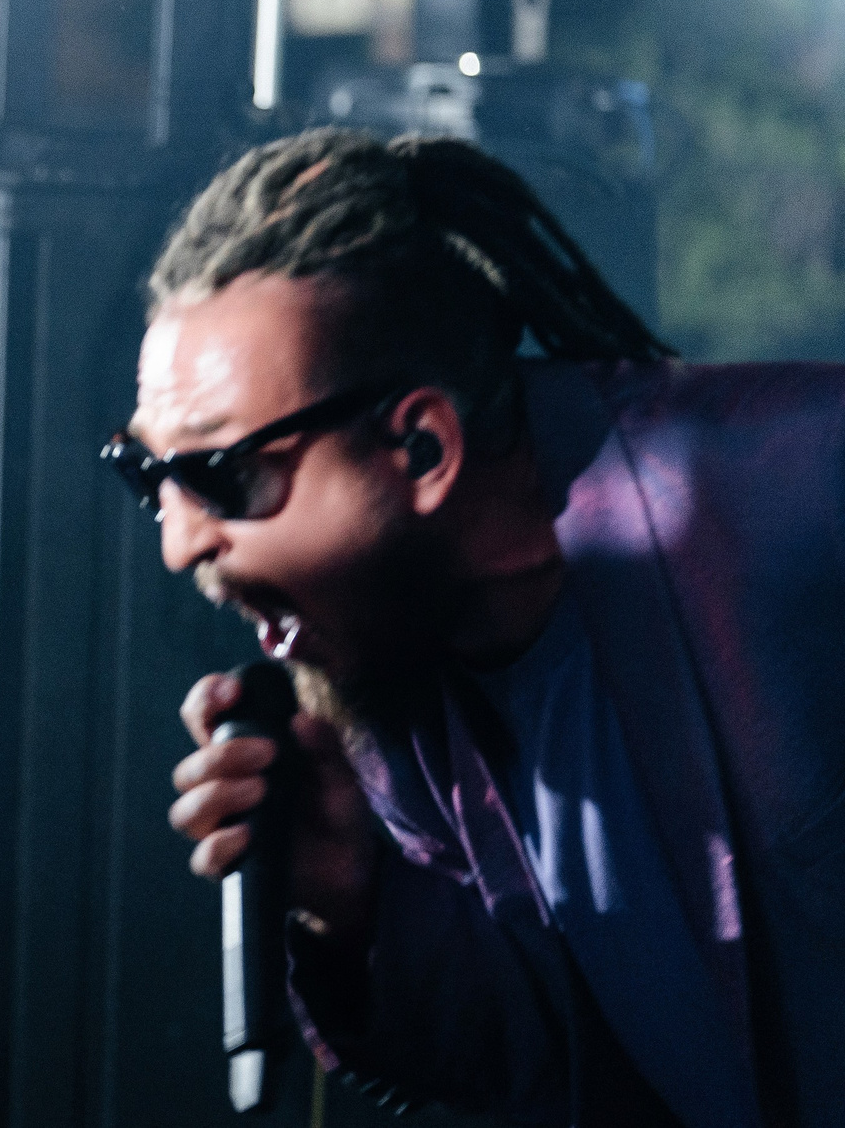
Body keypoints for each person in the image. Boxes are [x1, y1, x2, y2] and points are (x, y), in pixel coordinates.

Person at [115, 127, 844, 1127]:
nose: (177, 542)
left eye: (220, 474)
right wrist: (356, 898)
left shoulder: (784, 497)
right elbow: (551, 1051)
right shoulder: (389, 663)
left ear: (420, 448)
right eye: (145, 476)